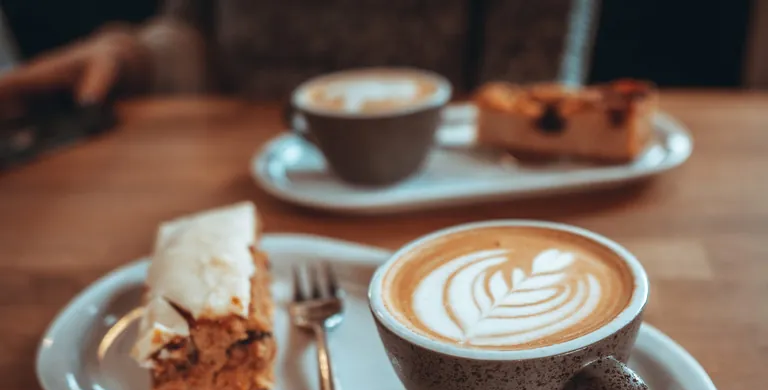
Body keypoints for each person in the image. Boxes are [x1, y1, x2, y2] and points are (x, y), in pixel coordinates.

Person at [0, 0, 597, 111]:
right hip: (236, 166)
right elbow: (194, 37)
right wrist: (126, 56)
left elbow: (525, 104)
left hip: (429, 192)